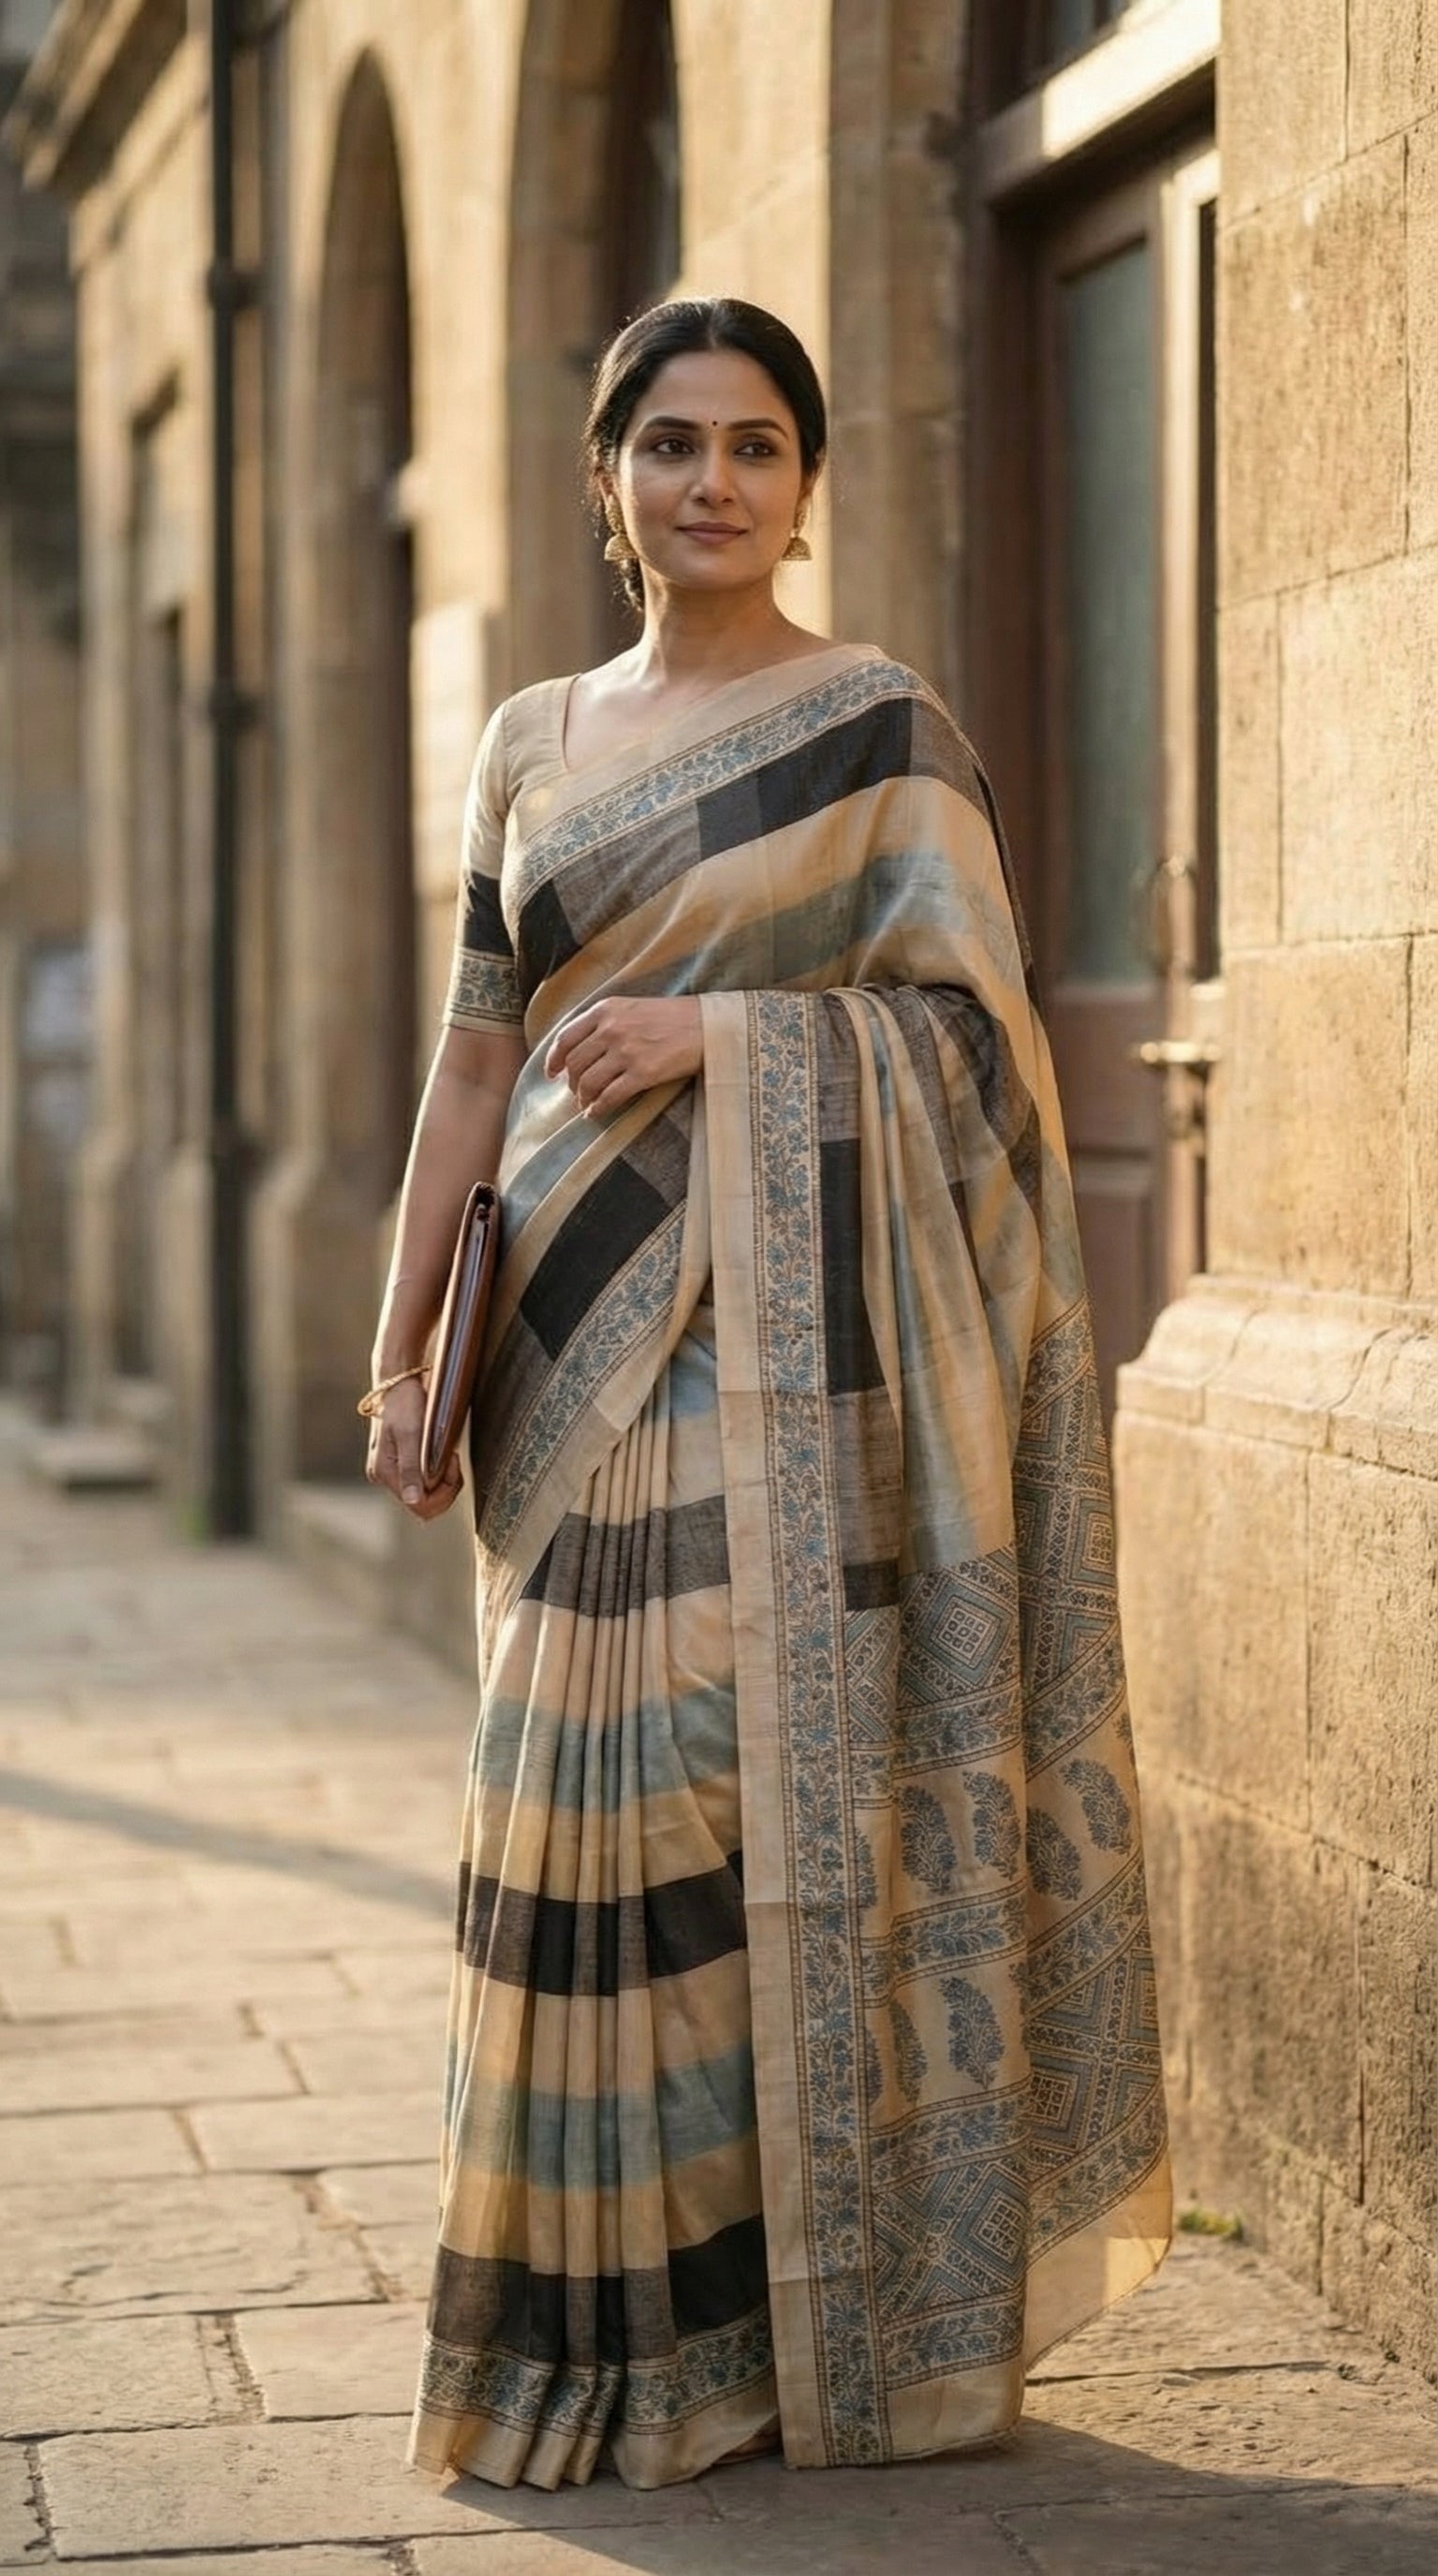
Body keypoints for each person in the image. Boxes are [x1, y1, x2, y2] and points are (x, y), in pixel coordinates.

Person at [363, 296, 1171, 2495]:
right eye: (670, 444)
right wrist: (405, 1318)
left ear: (805, 481)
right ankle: (594, 2340)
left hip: (785, 1346)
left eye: (754, 445)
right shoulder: (532, 738)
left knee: (717, 1770)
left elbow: (980, 1044)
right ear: (607, 478)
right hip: (555, 1339)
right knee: (567, 1807)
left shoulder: (877, 728)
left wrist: (733, 1039)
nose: (711, 481)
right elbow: (468, 1049)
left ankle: (771, 2328)